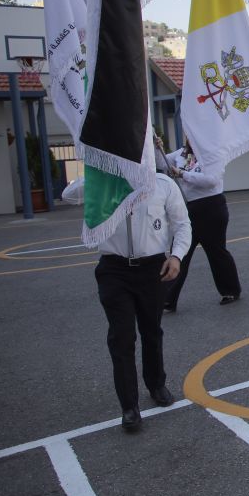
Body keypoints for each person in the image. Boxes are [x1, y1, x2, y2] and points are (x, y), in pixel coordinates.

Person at [62, 169, 191, 432]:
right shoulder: (104, 181)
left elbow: (182, 224)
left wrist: (177, 256)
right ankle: (129, 406)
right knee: (121, 337)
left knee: (151, 331)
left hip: (153, 268)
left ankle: (156, 384)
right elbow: (69, 195)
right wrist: (99, 171)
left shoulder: (163, 184)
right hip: (114, 269)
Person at [160, 137, 241, 312]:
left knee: (216, 251)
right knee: (180, 252)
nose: (190, 137)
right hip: (190, 207)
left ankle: (230, 291)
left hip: (212, 207)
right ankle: (167, 299)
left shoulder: (213, 154)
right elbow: (161, 161)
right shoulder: (182, 154)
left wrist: (183, 174)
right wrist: (156, 146)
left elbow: (211, 180)